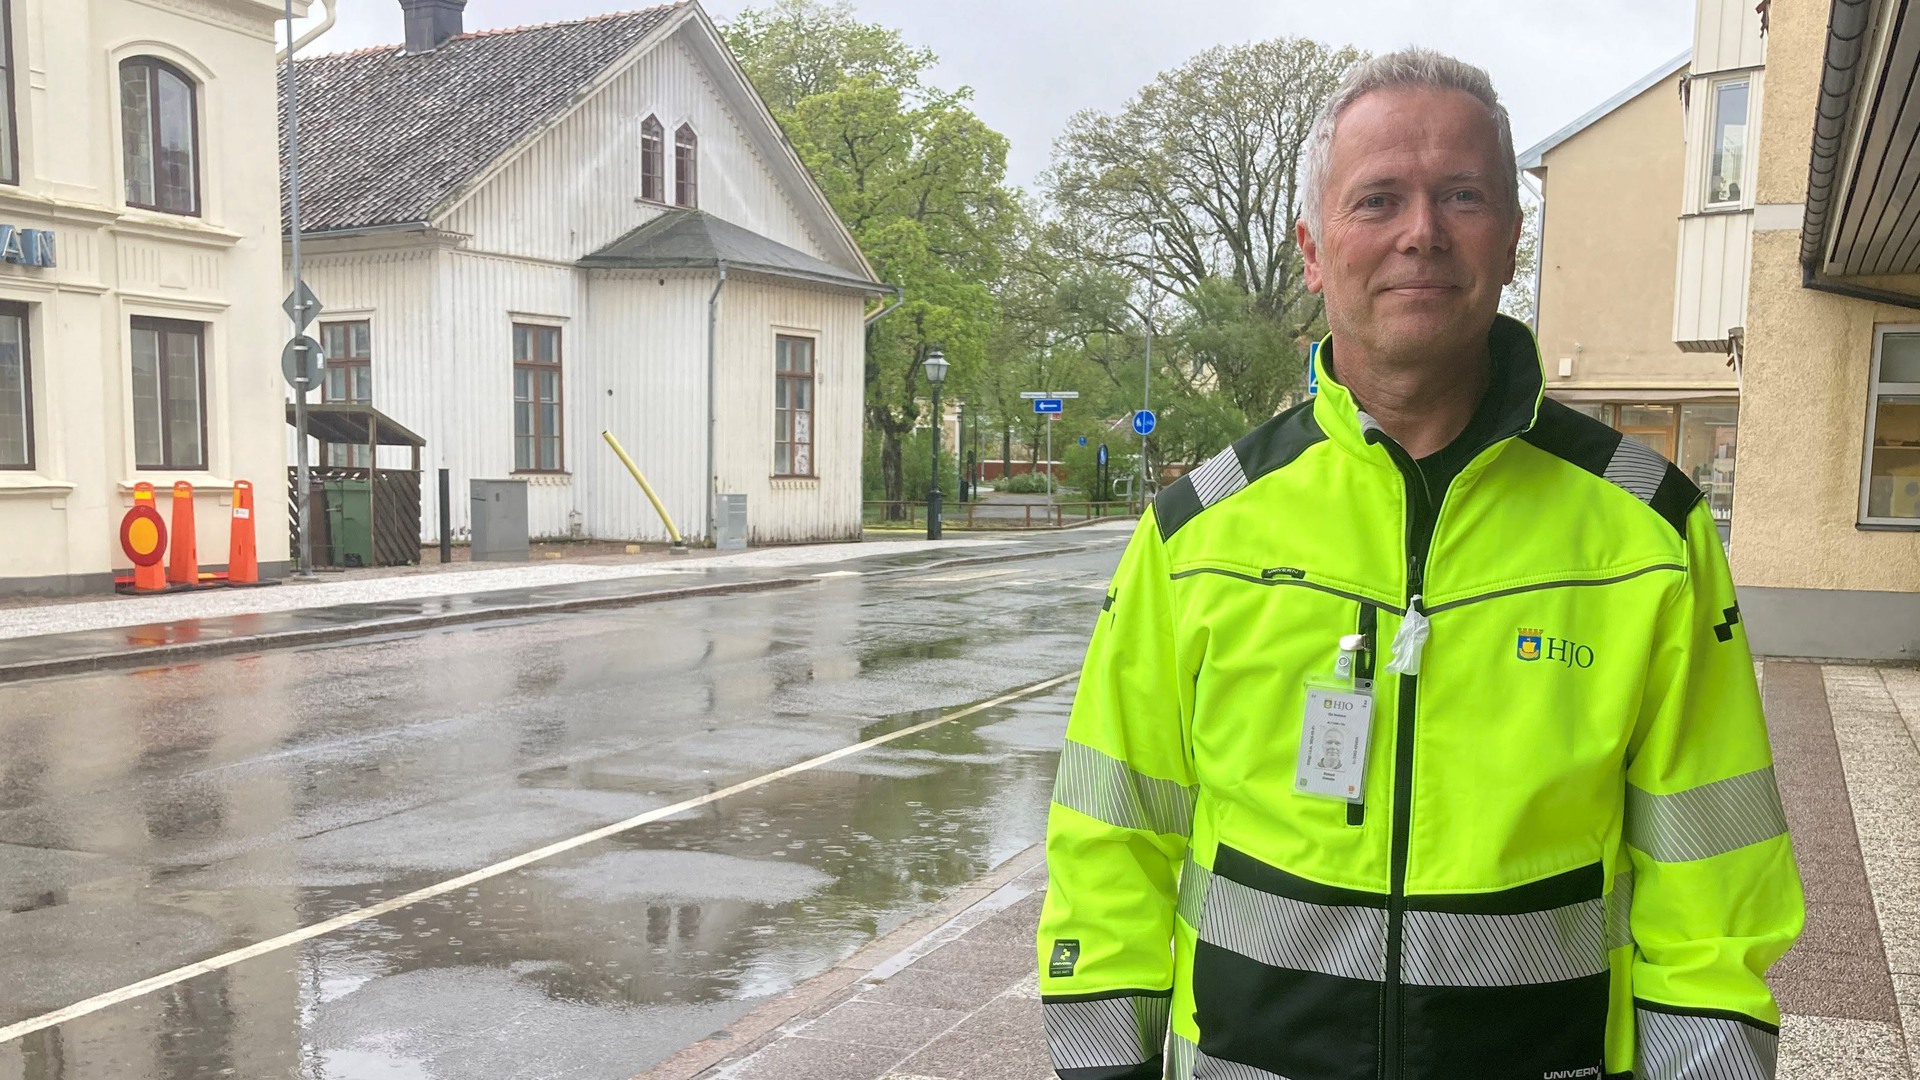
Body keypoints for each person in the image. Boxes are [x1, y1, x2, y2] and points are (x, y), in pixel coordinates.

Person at [1036, 49, 1803, 1080]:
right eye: (1378, 199)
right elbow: (1111, 845)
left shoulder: (1647, 533)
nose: (1421, 233)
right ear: (1313, 250)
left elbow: (1712, 893)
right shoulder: (1195, 535)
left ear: (1513, 238)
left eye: (1463, 196)